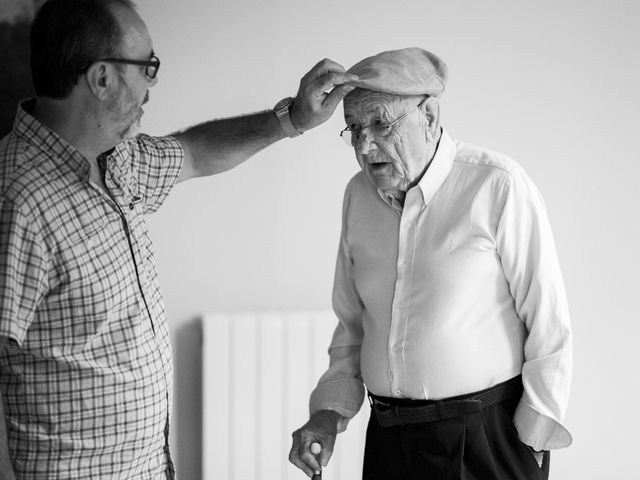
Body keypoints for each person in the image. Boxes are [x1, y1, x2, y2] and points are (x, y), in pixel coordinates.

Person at [0, 0, 358, 478]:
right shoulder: (15, 198)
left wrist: (292, 118)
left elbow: (193, 154)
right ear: (102, 78)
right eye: (147, 67)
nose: (151, 86)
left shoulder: (118, 160)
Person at [289, 47, 572, 480]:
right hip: (387, 440)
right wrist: (328, 413)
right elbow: (352, 326)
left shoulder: (497, 185)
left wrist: (530, 444)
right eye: (354, 129)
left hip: (486, 441)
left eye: (381, 124)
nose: (365, 145)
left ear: (430, 116)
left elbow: (548, 323)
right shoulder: (357, 197)